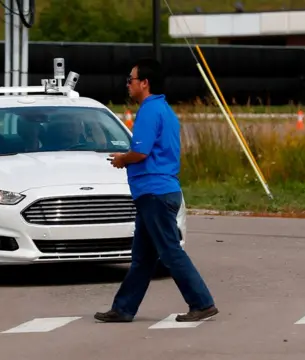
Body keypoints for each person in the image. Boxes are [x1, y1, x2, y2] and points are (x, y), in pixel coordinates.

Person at [94, 58, 218, 323]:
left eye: (131, 80)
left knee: (170, 252)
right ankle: (124, 308)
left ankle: (202, 302)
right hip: (158, 191)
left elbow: (139, 152)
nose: (128, 84)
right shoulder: (164, 110)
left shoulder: (149, 111)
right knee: (142, 257)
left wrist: (121, 159)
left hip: (155, 192)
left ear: (145, 83)